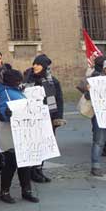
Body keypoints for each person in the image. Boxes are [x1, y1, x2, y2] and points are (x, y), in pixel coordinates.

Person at [0, 68, 39, 204]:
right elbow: (0, 112)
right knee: (11, 163)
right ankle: (4, 192)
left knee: (24, 163)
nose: (20, 82)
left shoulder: (15, 91)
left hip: (21, 132)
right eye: (18, 80)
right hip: (10, 133)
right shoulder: (5, 93)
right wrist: (5, 114)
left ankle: (26, 190)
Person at [23, 54, 65, 183]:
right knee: (33, 144)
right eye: (34, 63)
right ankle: (31, 170)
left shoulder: (53, 81)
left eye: (38, 64)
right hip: (32, 119)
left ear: (44, 66)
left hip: (48, 118)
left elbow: (59, 100)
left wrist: (58, 118)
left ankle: (39, 169)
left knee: (44, 146)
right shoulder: (27, 80)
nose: (35, 66)